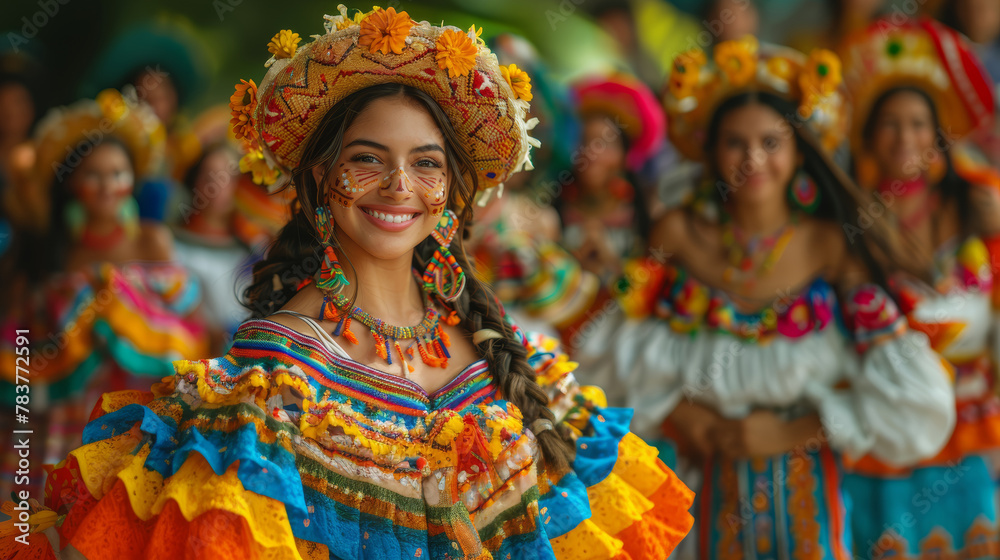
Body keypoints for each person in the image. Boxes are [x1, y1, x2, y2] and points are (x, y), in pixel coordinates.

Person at [1, 8, 695, 559]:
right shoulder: (274, 380)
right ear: (319, 180)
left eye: (426, 163)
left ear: (453, 190)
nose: (398, 186)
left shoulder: (498, 349)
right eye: (367, 159)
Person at [574, 35, 956, 557]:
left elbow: (907, 383)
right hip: (696, 472)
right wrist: (678, 414)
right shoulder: (677, 234)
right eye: (735, 143)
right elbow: (608, 353)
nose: (753, 158)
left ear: (799, 153)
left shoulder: (829, 246)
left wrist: (797, 429)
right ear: (711, 153)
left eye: (772, 143)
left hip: (806, 478)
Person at [0, 88, 209, 503]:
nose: (107, 186)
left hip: (139, 410)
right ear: (72, 183)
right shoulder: (54, 250)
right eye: (93, 175)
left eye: (118, 173)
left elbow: (193, 322)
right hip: (60, 415)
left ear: (133, 179)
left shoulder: (152, 241)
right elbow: (21, 326)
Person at [841, 17, 1000, 557]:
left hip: (970, 422)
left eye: (917, 123)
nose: (905, 137)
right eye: (889, 124)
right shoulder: (851, 222)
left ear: (938, 136)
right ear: (867, 136)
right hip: (889, 425)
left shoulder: (976, 202)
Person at [558, 74, 664, 285]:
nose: (591, 153)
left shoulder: (647, 213)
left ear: (625, 156)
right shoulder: (554, 209)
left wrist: (611, 263)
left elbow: (651, 283)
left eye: (604, 144)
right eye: (584, 141)